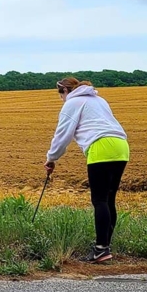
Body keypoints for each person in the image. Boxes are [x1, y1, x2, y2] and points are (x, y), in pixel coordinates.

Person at [44, 77, 130, 263]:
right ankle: (105, 246)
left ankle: (101, 250)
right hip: (121, 147)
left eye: (60, 94)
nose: (61, 98)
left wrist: (51, 158)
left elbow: (62, 135)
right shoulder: (99, 100)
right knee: (109, 199)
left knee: (99, 200)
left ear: (65, 91)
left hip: (101, 147)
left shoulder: (72, 102)